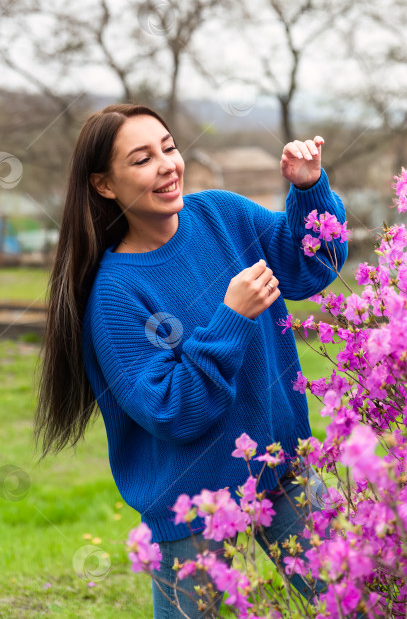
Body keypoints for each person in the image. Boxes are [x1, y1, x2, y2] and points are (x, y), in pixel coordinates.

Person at [34, 103, 348, 618]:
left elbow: (312, 264)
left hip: (282, 466)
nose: (166, 165)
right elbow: (174, 412)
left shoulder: (222, 215)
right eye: (141, 159)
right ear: (104, 184)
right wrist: (232, 317)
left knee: (360, 601)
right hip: (192, 506)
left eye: (169, 147)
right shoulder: (115, 296)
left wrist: (310, 189)